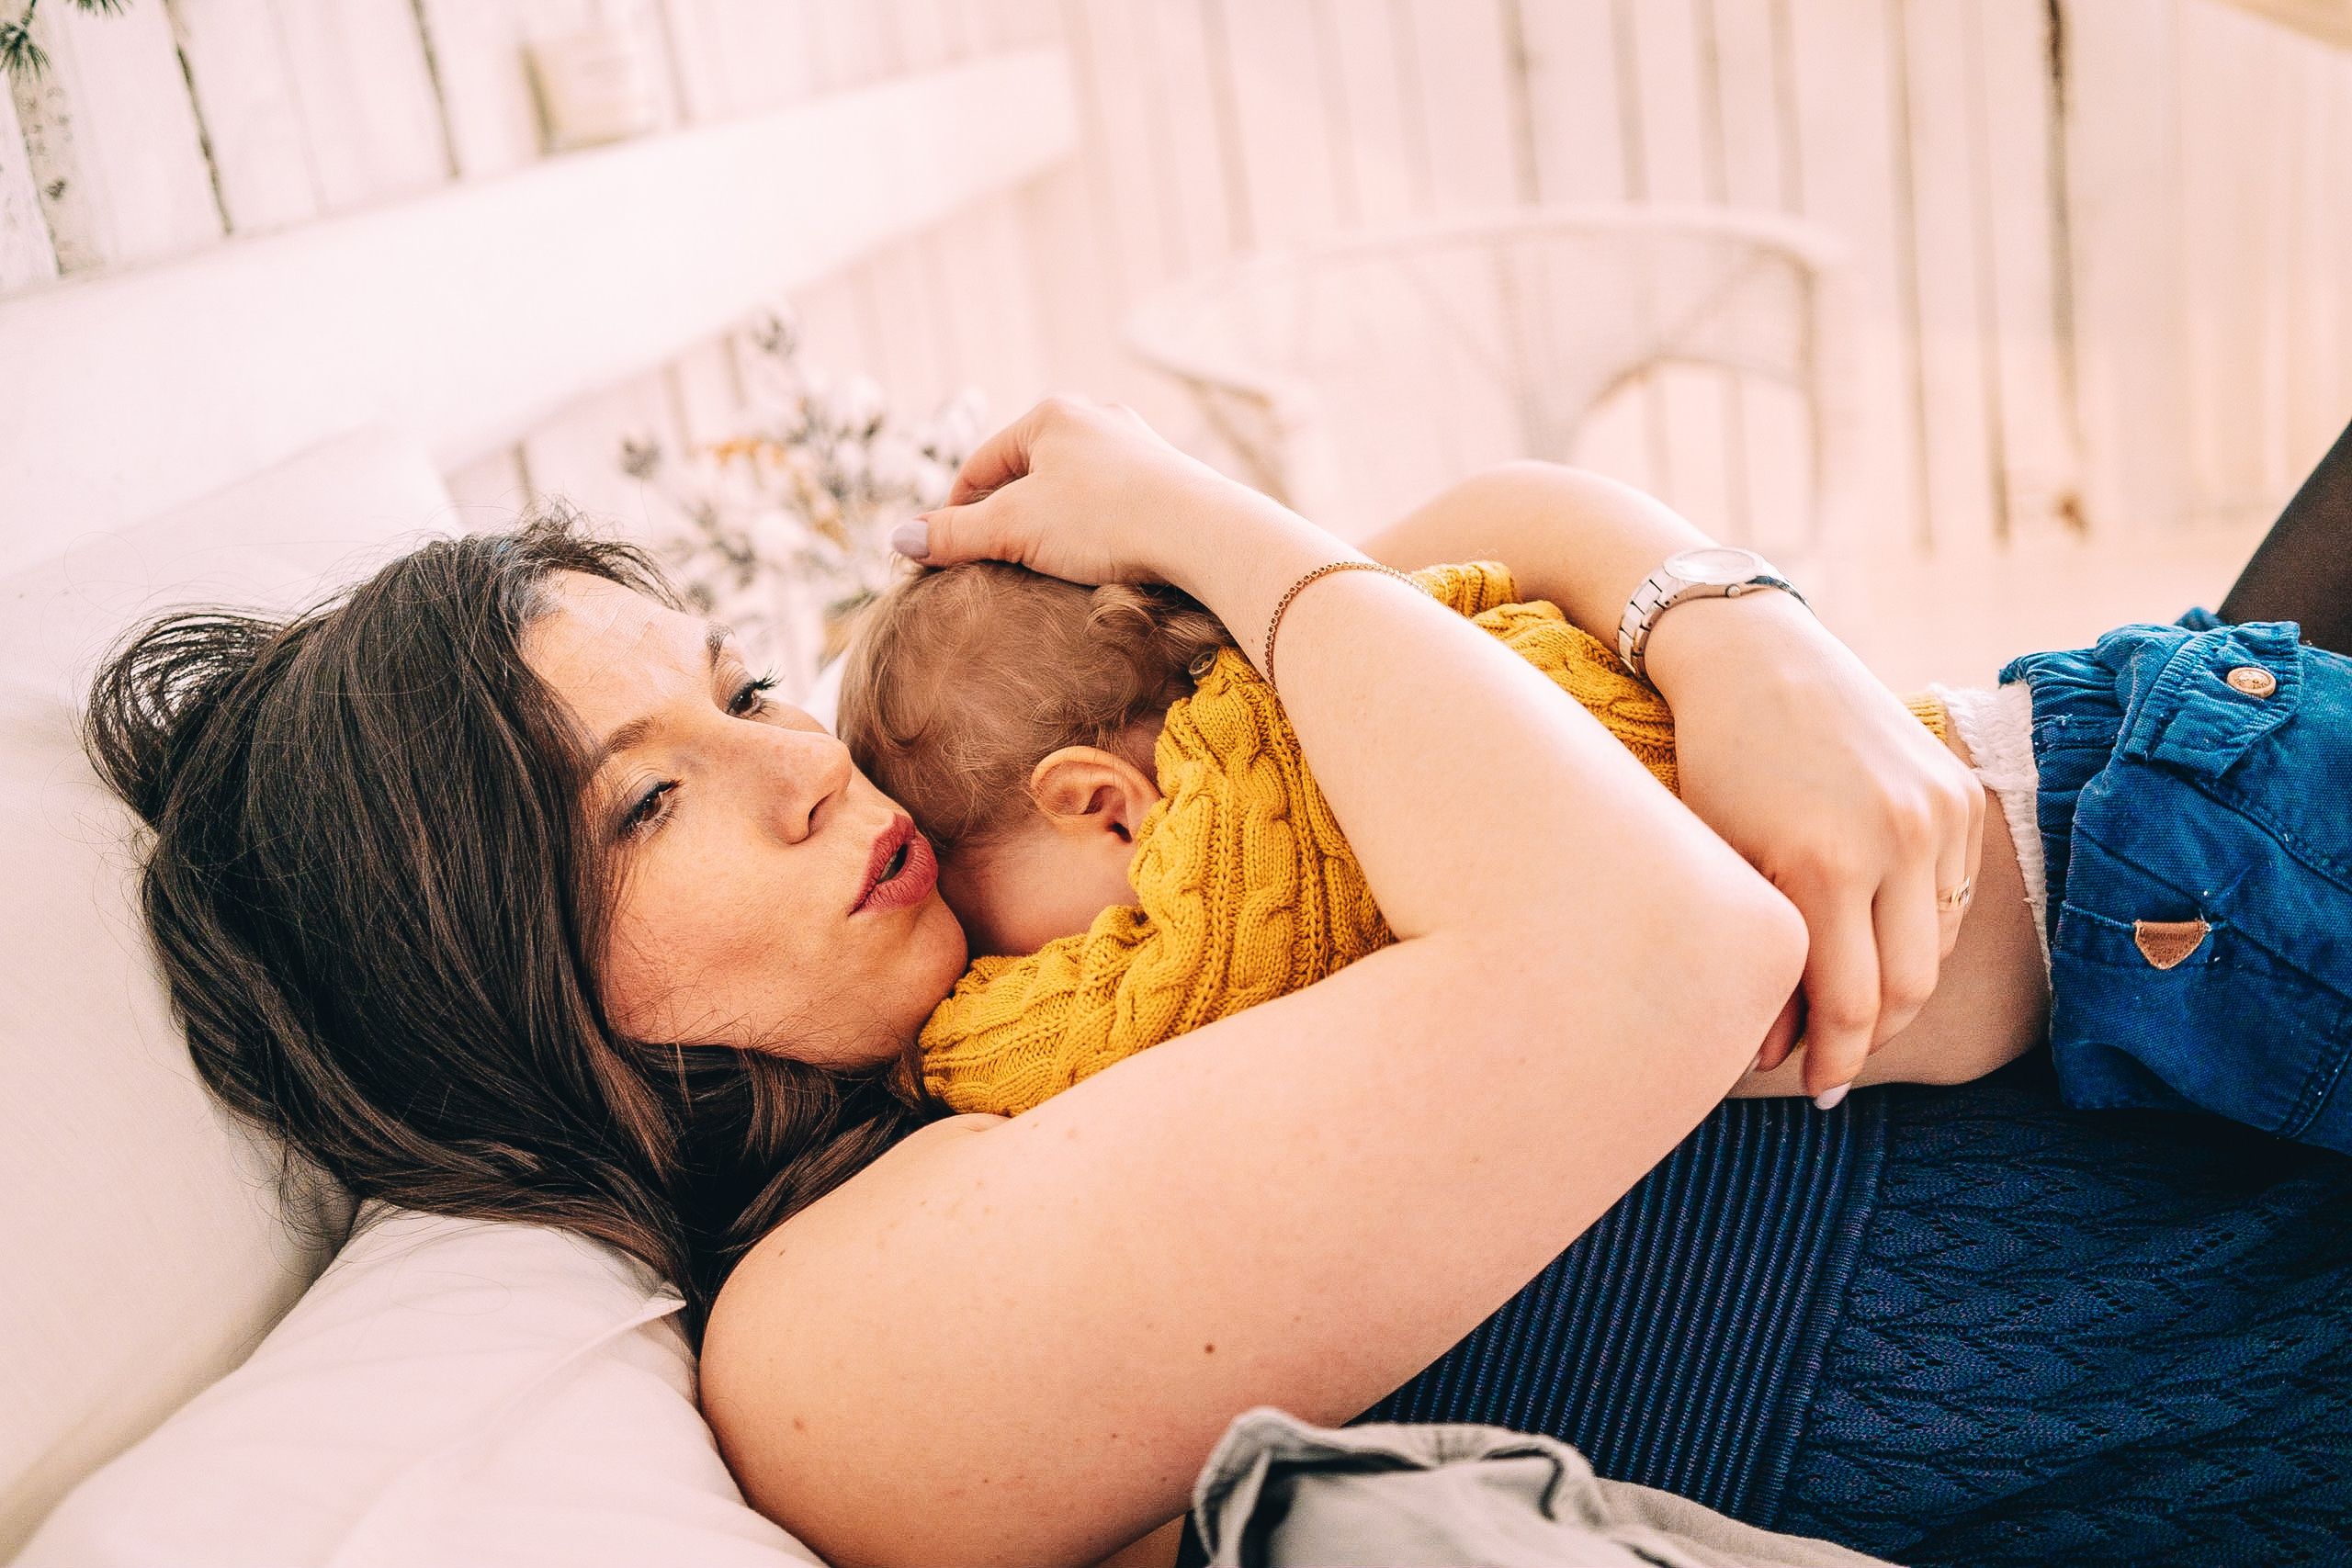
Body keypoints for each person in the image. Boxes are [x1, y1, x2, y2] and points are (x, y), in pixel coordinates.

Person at [84, 399, 2350, 1568]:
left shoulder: (1025, 958)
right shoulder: (828, 1334)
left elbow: (1452, 554)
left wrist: (1724, 618)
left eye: (742, 683)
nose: (799, 766)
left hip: (2173, 892)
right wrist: (1198, 518)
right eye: (639, 807)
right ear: (506, 1002)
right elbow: (1660, 942)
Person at [837, 555, 1979, 1118]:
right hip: (2048, 756)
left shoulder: (1251, 828)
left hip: (2104, 853)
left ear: (1101, 805)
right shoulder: (1349, 639)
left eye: (1010, 938)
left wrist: (918, 1049)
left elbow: (1124, 1020)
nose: (1033, 964)